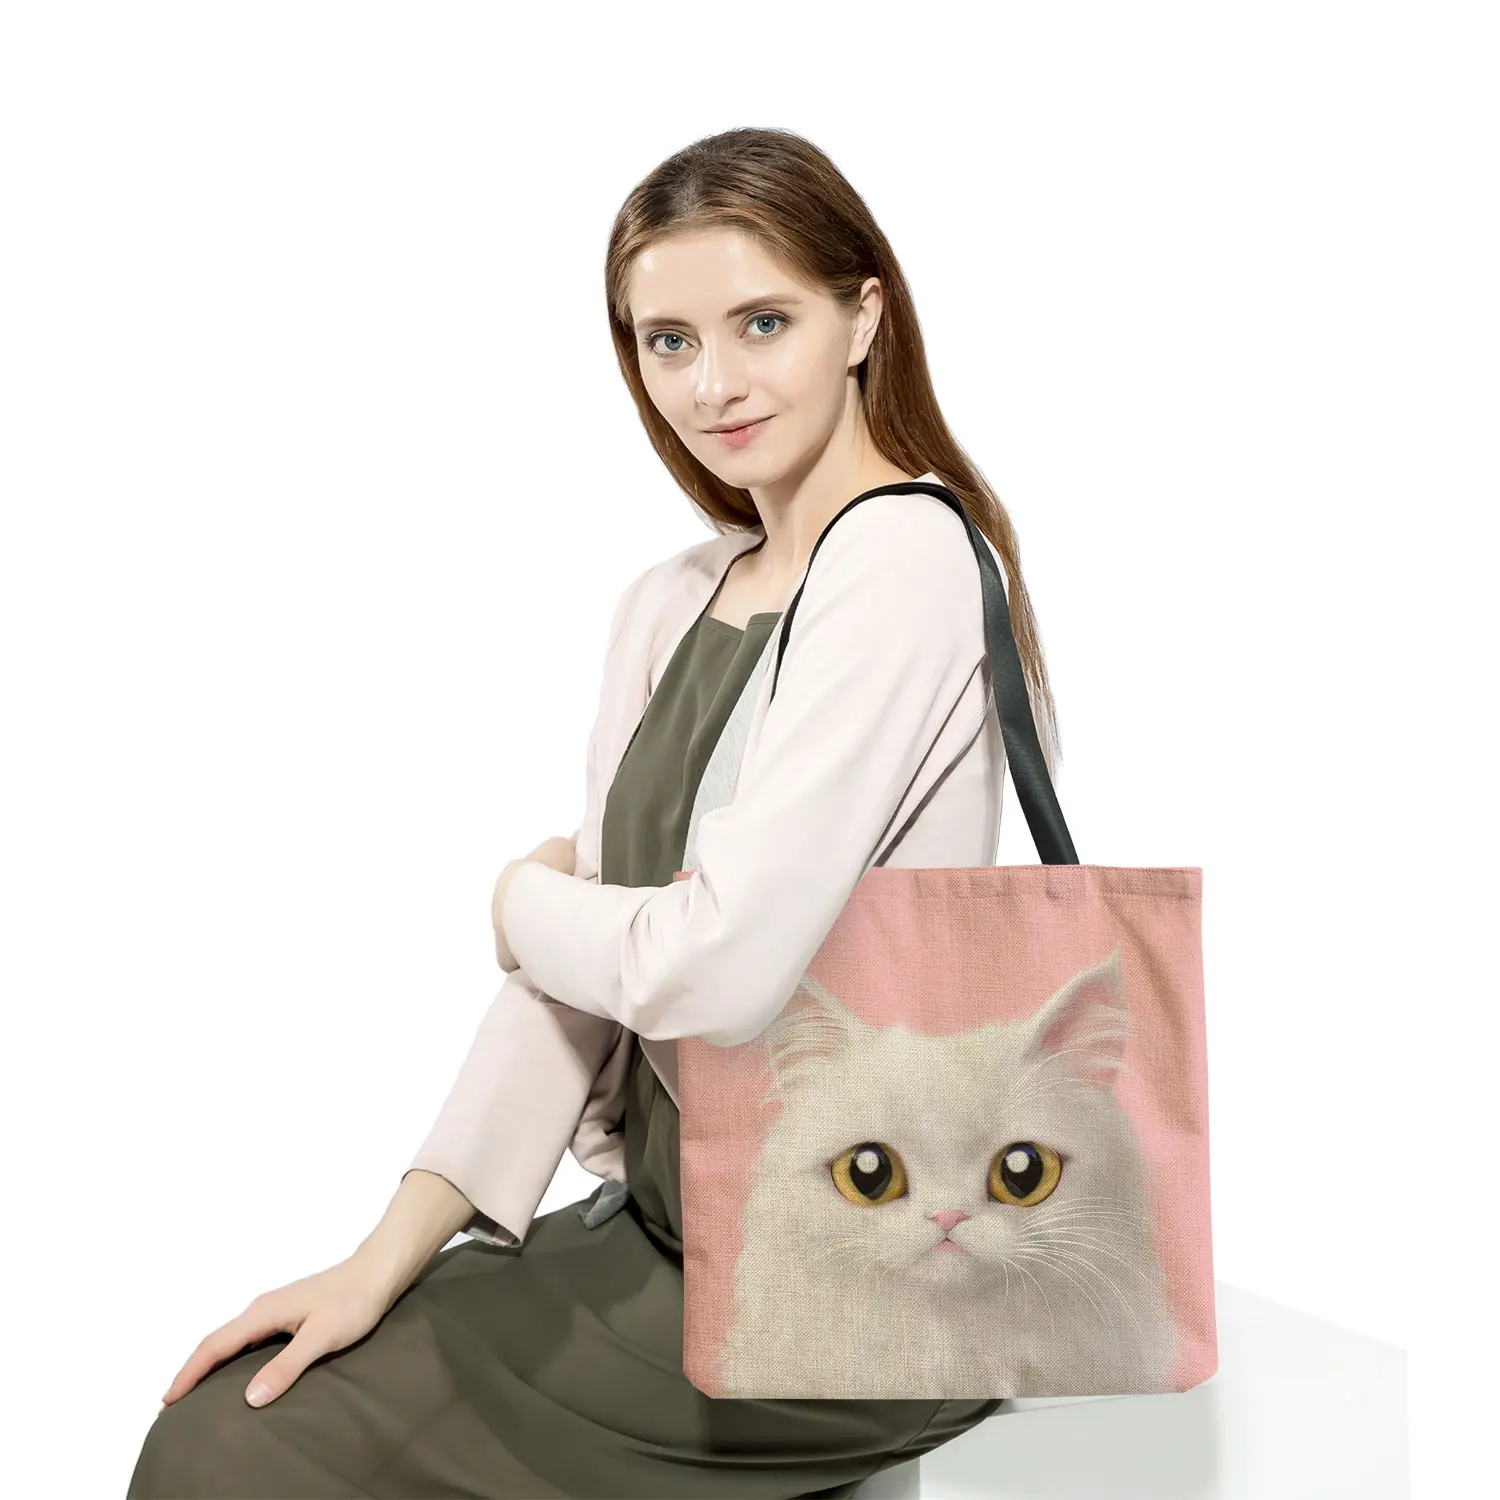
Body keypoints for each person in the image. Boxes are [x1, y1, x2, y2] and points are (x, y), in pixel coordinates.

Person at [127, 124, 1062, 1499]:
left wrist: (520, 903)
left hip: (865, 1272)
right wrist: (385, 1256)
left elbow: (715, 965)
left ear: (864, 317)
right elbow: (588, 980)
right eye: (668, 341)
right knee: (235, 1417)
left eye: (762, 322)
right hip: (670, 1230)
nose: (714, 382)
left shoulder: (905, 555)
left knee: (244, 1459)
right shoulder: (670, 602)